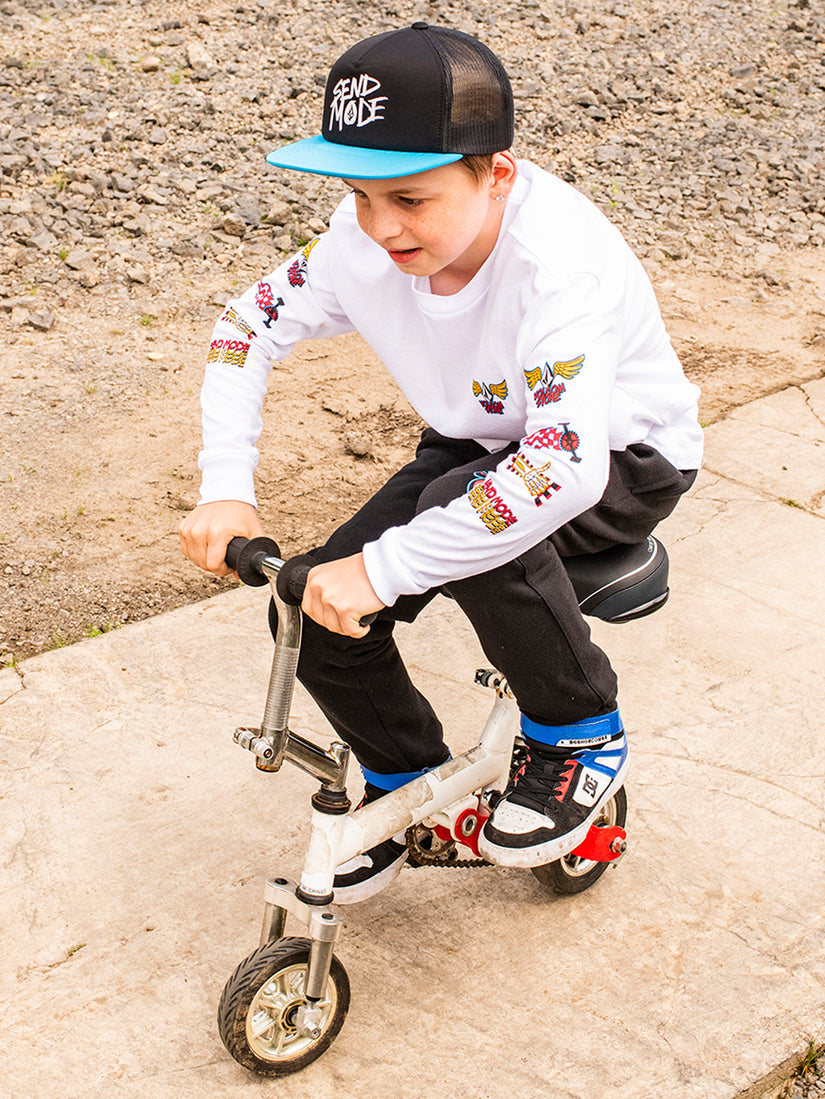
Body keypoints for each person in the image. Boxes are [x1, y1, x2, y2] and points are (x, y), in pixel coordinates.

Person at [179, 23, 703, 903]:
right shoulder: (362, 242)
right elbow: (244, 327)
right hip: (479, 444)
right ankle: (403, 785)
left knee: (471, 510)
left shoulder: (558, 265)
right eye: (359, 197)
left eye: (411, 200)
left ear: (495, 172)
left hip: (620, 456)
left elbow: (559, 470)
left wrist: (384, 568)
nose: (381, 229)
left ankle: (578, 733)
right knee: (309, 598)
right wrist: (226, 487)